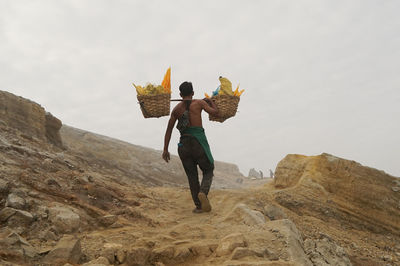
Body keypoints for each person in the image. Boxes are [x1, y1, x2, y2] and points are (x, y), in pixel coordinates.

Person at [162, 81, 218, 213]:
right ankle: (203, 193)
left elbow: (169, 130)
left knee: (192, 176)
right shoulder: (199, 103)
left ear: (180, 94)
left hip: (184, 145)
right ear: (192, 93)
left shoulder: (176, 110)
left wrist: (165, 149)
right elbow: (216, 113)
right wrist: (210, 101)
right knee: (208, 169)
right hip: (198, 141)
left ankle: (199, 206)